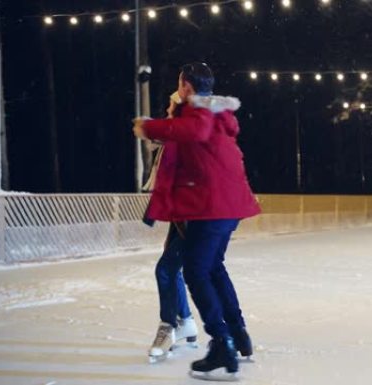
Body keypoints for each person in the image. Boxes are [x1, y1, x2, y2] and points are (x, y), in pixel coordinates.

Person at [133, 62, 261, 380]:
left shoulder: (199, 111)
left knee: (193, 270)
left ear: (186, 85)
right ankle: (237, 334)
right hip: (227, 205)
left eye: (181, 84)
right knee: (212, 267)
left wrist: (150, 127)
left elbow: (194, 131)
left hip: (209, 205)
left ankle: (221, 343)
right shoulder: (217, 114)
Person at [143, 91, 199, 364]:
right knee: (173, 269)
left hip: (193, 215)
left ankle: (169, 326)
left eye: (170, 106)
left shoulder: (186, 138)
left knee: (166, 270)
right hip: (182, 213)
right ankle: (186, 320)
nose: (166, 109)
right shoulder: (178, 138)